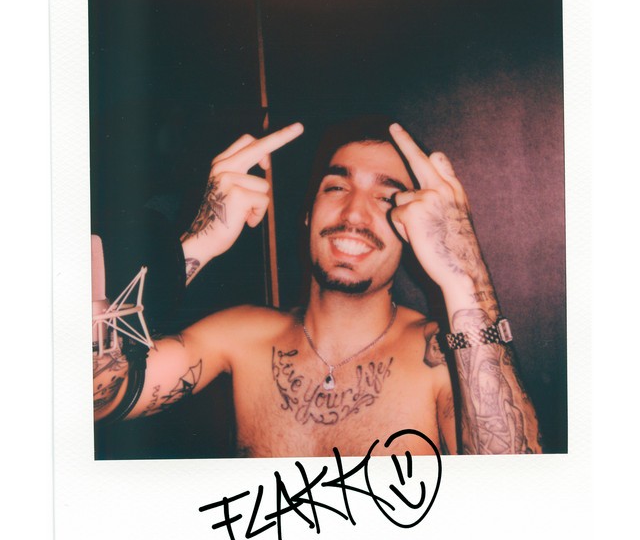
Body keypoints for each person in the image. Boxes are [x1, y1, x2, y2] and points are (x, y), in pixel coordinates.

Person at [93, 116, 541, 457]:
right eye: (336, 187)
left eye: (387, 197)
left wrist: (464, 275)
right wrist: (202, 240)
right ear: (308, 214)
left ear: (412, 230)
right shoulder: (239, 335)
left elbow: (514, 504)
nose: (354, 212)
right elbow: (94, 396)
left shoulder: (445, 359)